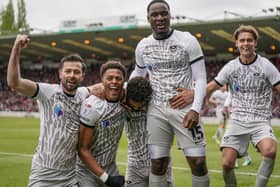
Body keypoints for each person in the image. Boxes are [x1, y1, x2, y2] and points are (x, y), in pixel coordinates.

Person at [130, 1, 209, 186]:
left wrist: (195, 109)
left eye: (163, 13)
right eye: (155, 15)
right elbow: (139, 73)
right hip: (156, 109)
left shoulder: (187, 40)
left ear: (170, 15)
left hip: (185, 108)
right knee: (157, 164)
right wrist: (125, 89)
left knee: (198, 162)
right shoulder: (143, 45)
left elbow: (201, 77)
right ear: (148, 18)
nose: (160, 18)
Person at [7, 35, 90, 186]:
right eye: (68, 71)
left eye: (76, 72)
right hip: (44, 173)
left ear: (82, 76)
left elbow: (105, 85)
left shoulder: (83, 94)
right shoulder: (47, 92)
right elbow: (14, 82)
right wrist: (16, 48)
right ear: (60, 73)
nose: (72, 75)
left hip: (70, 176)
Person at [207, 25, 280, 187]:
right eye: (242, 40)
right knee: (227, 164)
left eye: (249, 40)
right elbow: (211, 86)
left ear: (255, 43)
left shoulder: (266, 65)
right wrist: (192, 96)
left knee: (270, 150)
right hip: (237, 120)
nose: (245, 43)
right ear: (236, 44)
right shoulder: (231, 67)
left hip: (260, 120)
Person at [77, 60, 127, 187]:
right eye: (109, 78)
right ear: (102, 81)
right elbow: (82, 149)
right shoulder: (93, 105)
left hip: (110, 165)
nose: (114, 81)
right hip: (86, 169)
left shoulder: (128, 97)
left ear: (123, 81)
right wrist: (107, 179)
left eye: (118, 78)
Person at [124, 76, 174, 187]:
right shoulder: (122, 97)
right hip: (134, 166)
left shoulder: (159, 101)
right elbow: (105, 86)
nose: (136, 109)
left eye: (140, 106)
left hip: (161, 164)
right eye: (133, 106)